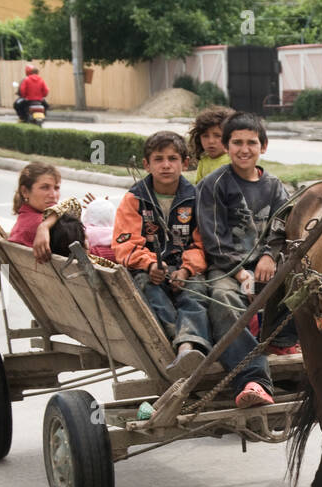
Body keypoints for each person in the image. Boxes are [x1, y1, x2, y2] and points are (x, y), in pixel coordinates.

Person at [114, 130, 275, 407]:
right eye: (159, 159)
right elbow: (124, 244)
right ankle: (180, 345)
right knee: (147, 289)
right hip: (149, 271)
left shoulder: (195, 197)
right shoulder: (135, 198)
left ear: (185, 163)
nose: (166, 165)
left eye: (173, 159)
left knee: (197, 293)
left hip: (187, 272)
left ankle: (191, 348)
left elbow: (203, 242)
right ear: (146, 164)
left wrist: (187, 270)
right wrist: (150, 263)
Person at [196, 111, 299, 358]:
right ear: (226, 146)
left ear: (263, 147)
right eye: (237, 143)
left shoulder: (274, 186)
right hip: (227, 268)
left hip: (267, 264)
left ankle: (280, 340)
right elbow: (214, 239)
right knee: (223, 297)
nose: (244, 149)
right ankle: (247, 362)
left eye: (251, 142)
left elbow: (281, 225)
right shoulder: (214, 184)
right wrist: (241, 272)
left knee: (305, 286)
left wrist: (269, 256)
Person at [187, 105, 235, 183]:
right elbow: (199, 187)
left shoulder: (233, 160)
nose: (211, 141)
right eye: (205, 136)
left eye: (217, 136)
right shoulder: (203, 161)